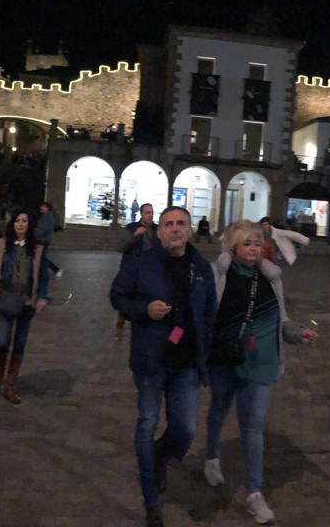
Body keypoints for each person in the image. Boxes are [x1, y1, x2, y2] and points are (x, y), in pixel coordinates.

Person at [202, 220, 316, 525]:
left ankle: (254, 493)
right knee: (219, 408)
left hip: (262, 362)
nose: (252, 249)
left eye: (256, 243)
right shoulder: (219, 276)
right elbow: (203, 316)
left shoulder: (271, 278)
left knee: (252, 427)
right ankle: (212, 457)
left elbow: (282, 320)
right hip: (225, 359)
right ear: (232, 246)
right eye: (246, 243)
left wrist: (298, 332)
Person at [109, 207, 216, 527]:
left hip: (186, 364)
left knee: (185, 429)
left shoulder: (201, 267)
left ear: (189, 230)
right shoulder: (141, 263)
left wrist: (208, 356)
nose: (174, 229)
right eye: (168, 224)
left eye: (180, 224)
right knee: (147, 422)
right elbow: (117, 296)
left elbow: (209, 313)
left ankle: (158, 456)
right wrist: (143, 309)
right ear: (159, 231)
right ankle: (151, 501)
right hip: (150, 360)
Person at [0, 208, 50, 404]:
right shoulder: (3, 245)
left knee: (19, 343)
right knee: (2, 341)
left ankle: (9, 384)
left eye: (24, 221)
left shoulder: (37, 248)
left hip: (27, 301)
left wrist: (42, 297)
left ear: (29, 224)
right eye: (17, 221)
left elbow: (43, 275)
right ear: (12, 224)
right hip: (5, 298)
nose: (20, 224)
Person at [114, 203, 159, 340]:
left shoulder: (157, 229)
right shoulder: (132, 228)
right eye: (147, 212)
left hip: (150, 271)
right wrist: (134, 235)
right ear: (141, 214)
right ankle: (119, 328)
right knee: (126, 300)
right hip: (132, 271)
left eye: (151, 212)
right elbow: (120, 247)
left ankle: (144, 329)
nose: (150, 215)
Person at [35, 201, 62, 280]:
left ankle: (55, 270)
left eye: (42, 206)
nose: (41, 208)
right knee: (41, 258)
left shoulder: (47, 217)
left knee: (41, 258)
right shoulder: (46, 216)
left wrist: (35, 234)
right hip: (44, 239)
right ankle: (54, 270)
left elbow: (44, 229)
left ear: (46, 208)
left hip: (43, 240)